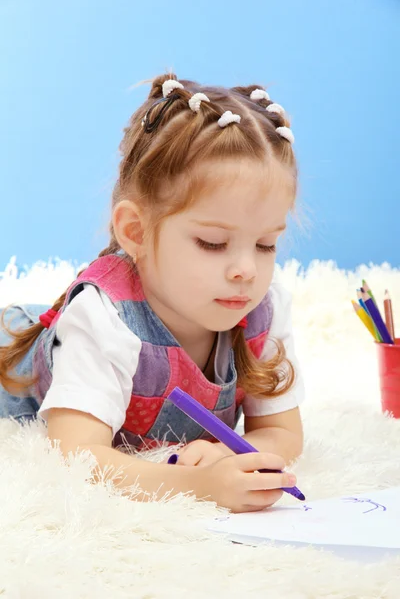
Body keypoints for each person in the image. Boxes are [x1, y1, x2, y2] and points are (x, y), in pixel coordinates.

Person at [0, 74, 305, 513]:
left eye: (265, 245)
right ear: (136, 232)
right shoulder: (102, 317)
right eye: (213, 244)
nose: (246, 271)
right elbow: (76, 456)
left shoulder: (263, 311)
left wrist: (229, 456)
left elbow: (284, 433)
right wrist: (199, 486)